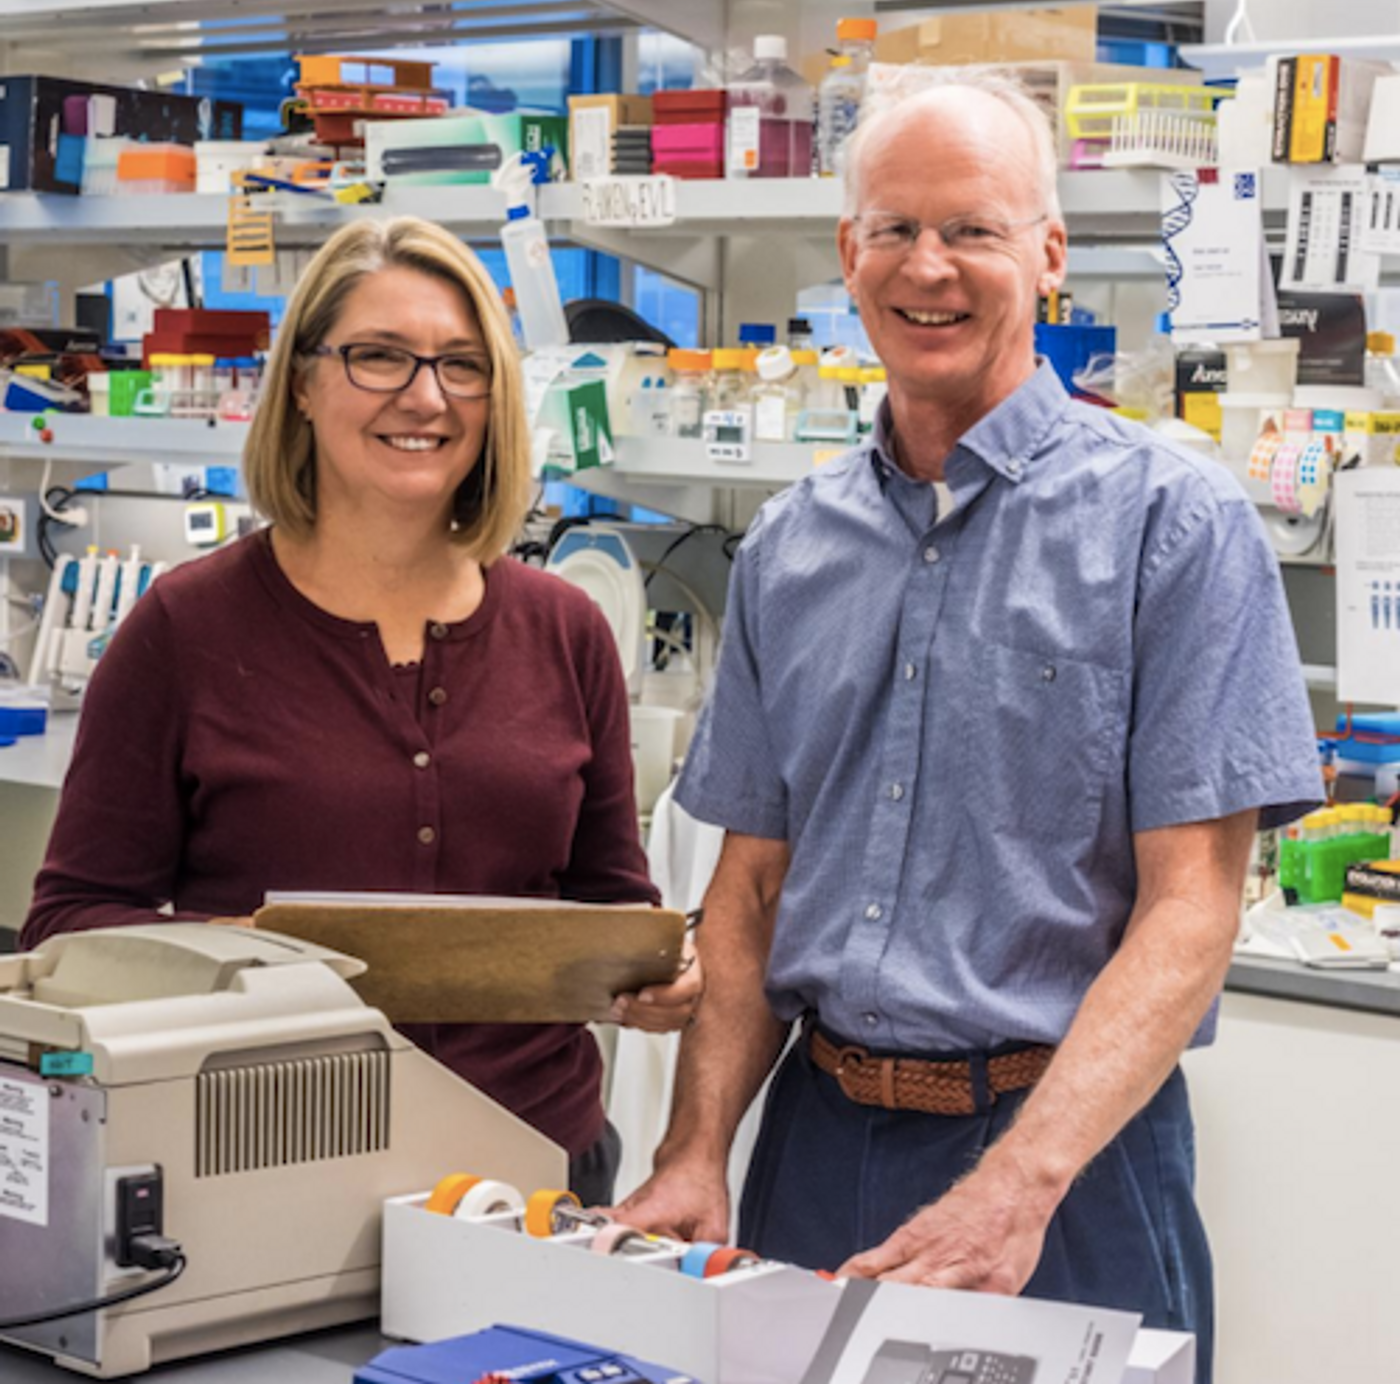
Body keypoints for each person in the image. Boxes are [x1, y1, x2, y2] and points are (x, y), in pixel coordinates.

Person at [616, 74, 1321, 1379]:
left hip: (1071, 1160)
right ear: (848, 253)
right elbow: (752, 890)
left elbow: (1192, 910)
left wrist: (1019, 1186)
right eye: (893, 229)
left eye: (974, 230)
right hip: (815, 1145)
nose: (927, 267)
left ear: (1049, 255)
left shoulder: (1174, 523)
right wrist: (696, 1147)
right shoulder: (790, 547)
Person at [22, 215, 701, 1206]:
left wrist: (656, 975)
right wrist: (266, 955)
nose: (424, 397)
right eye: (378, 357)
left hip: (532, 1170)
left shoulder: (565, 628)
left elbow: (609, 902)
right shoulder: (183, 628)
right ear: (301, 383)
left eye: (460, 365)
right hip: (263, 1163)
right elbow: (69, 926)